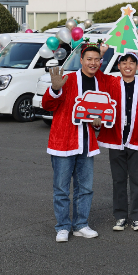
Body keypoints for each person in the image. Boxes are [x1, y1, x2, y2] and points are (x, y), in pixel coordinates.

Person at [43, 44, 106, 243]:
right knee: (61, 188)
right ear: (81, 60)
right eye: (89, 59)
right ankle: (62, 226)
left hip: (87, 144)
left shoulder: (99, 83)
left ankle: (80, 225)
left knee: (85, 188)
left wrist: (99, 122)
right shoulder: (67, 80)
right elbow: (48, 105)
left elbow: (102, 112)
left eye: (96, 59)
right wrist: (54, 88)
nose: (93, 63)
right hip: (63, 142)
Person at [96, 45, 138, 233]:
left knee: (137, 180)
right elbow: (97, 75)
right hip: (115, 138)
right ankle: (121, 216)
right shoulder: (112, 82)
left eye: (132, 62)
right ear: (118, 65)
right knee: (118, 180)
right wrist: (101, 54)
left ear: (137, 65)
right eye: (124, 62)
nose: (128, 66)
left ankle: (137, 217)